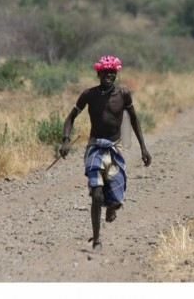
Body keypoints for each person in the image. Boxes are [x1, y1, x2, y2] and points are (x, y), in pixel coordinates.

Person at [59, 55, 152, 251]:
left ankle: (112, 208)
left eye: (112, 72)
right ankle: (97, 239)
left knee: (116, 200)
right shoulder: (89, 95)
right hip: (95, 147)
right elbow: (70, 117)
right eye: (105, 72)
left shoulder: (123, 94)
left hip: (115, 147)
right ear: (98, 73)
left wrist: (143, 147)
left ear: (116, 73)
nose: (109, 75)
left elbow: (134, 119)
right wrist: (66, 140)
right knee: (97, 194)